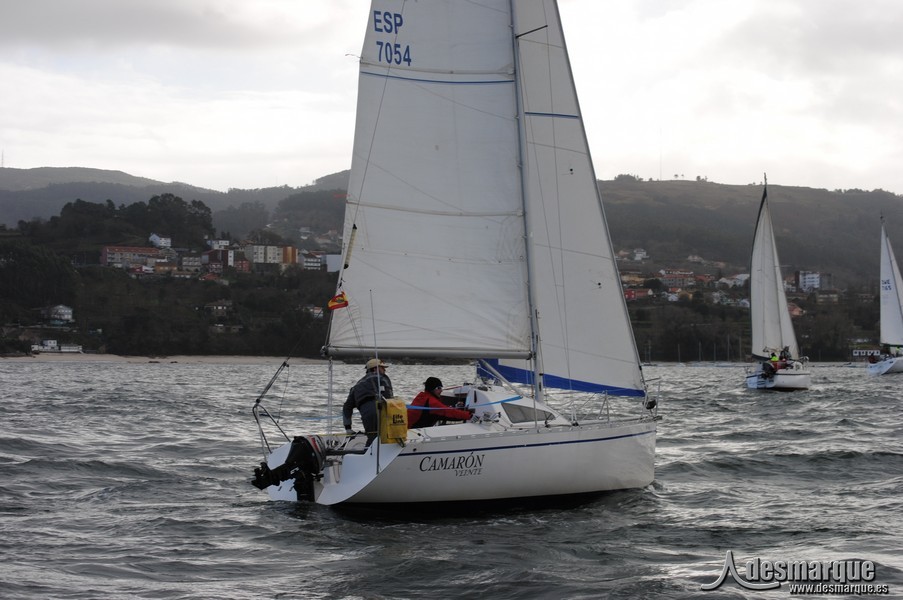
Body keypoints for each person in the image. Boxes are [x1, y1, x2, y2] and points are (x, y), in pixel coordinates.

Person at [343, 358, 393, 445]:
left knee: (372, 437)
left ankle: (367, 451)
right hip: (379, 409)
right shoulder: (382, 378)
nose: (384, 370)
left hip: (366, 414)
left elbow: (347, 407)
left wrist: (348, 428)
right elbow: (389, 397)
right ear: (375, 369)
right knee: (385, 437)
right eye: (382, 367)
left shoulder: (357, 385)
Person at [407, 377, 473, 428]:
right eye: (439, 388)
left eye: (441, 388)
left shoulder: (422, 396)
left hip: (409, 428)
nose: (441, 390)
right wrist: (470, 415)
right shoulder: (431, 401)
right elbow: (448, 412)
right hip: (414, 431)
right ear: (432, 389)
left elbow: (441, 409)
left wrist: (454, 406)